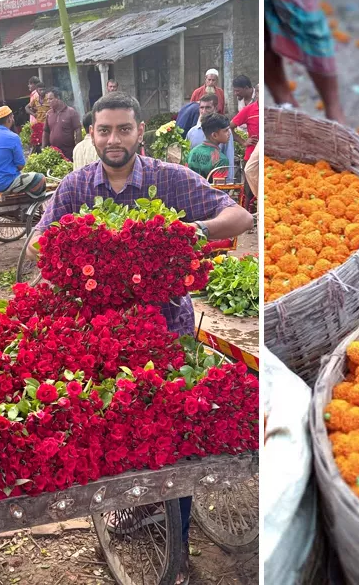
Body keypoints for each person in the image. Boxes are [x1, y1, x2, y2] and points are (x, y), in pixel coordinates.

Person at [30, 93, 253, 584]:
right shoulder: (74, 187)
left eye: (123, 130)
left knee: (173, 434)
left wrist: (185, 233)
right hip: (99, 336)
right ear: (92, 134)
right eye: (105, 130)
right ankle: (128, 510)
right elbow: (42, 243)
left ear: (139, 133)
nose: (114, 139)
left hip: (166, 329)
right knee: (117, 430)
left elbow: (240, 218)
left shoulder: (170, 179)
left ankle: (178, 534)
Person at [0, 106, 47, 199]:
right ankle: (36, 203)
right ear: (9, 118)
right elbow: (21, 165)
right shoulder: (13, 137)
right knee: (40, 178)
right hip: (4, 183)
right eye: (12, 117)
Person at [186, 93, 236, 177]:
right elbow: (187, 164)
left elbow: (229, 157)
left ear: (215, 108)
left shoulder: (224, 131)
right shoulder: (191, 132)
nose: (204, 111)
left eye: (208, 107)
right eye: (201, 107)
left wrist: (229, 183)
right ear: (214, 135)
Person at [186, 113, 232, 179]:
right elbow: (218, 188)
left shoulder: (192, 152)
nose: (229, 133)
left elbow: (186, 177)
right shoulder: (221, 160)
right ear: (214, 135)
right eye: (226, 130)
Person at [43, 88, 82, 160]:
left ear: (58, 98)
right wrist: (44, 149)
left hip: (69, 152)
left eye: (50, 99)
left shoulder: (71, 112)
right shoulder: (49, 114)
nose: (48, 102)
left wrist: (77, 150)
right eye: (47, 99)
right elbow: (46, 132)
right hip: (54, 153)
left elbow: (78, 130)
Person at [231, 77, 260, 162]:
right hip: (252, 155)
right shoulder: (248, 109)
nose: (235, 93)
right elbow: (229, 126)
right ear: (257, 94)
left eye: (238, 91)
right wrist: (243, 142)